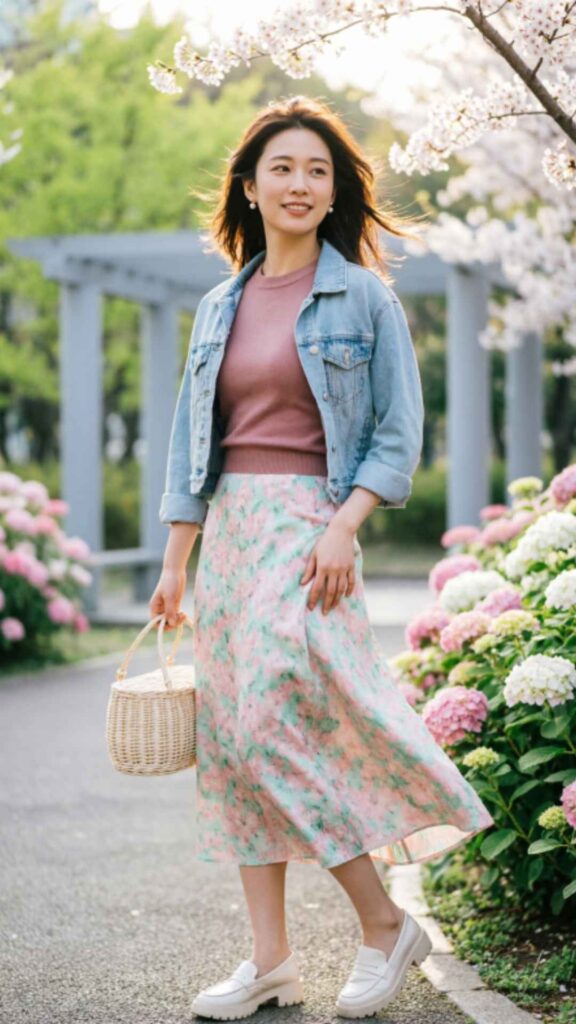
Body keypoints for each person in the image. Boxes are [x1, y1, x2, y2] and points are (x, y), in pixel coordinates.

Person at [148, 95, 494, 1021]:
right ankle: (269, 962)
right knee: (232, 744)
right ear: (250, 187)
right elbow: (196, 438)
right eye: (283, 169)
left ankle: (384, 925)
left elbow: (397, 431)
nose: (300, 184)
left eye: (317, 171)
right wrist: (176, 560)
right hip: (230, 537)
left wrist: (346, 523)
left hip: (312, 535)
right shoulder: (220, 305)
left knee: (277, 729)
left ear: (333, 190)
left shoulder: (363, 295)